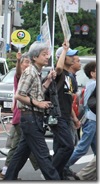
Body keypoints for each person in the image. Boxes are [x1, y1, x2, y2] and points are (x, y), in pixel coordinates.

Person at [4, 41, 60, 180]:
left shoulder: (36, 72)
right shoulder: (30, 72)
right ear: (34, 57)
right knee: (43, 154)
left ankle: (8, 178)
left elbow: (38, 92)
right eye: (44, 54)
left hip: (33, 118)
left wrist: (48, 81)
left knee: (20, 155)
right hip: (30, 117)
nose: (47, 57)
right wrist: (38, 104)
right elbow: (19, 95)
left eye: (47, 54)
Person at [0, 52, 38, 180]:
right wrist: (17, 60)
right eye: (25, 62)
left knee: (17, 147)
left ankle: (6, 173)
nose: (28, 64)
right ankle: (47, 168)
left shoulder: (29, 76)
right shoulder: (20, 76)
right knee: (31, 146)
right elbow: (17, 72)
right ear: (20, 65)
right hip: (21, 117)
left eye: (29, 62)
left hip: (20, 117)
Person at [50, 40, 81, 180]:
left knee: (61, 146)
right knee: (68, 146)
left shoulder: (68, 77)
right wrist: (63, 50)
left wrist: (74, 118)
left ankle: (59, 173)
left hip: (64, 115)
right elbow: (58, 69)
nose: (73, 58)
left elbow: (68, 99)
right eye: (69, 55)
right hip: (57, 115)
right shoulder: (59, 74)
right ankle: (51, 173)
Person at [64, 61, 96, 178]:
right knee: (82, 148)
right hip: (91, 120)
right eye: (76, 60)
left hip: (92, 120)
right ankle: (61, 167)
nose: (78, 62)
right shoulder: (93, 84)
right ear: (92, 73)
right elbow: (88, 102)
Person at [69, 55, 81, 144]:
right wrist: (74, 117)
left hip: (73, 114)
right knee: (69, 144)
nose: (79, 63)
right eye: (78, 61)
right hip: (68, 114)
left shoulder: (72, 76)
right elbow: (69, 98)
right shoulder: (69, 77)